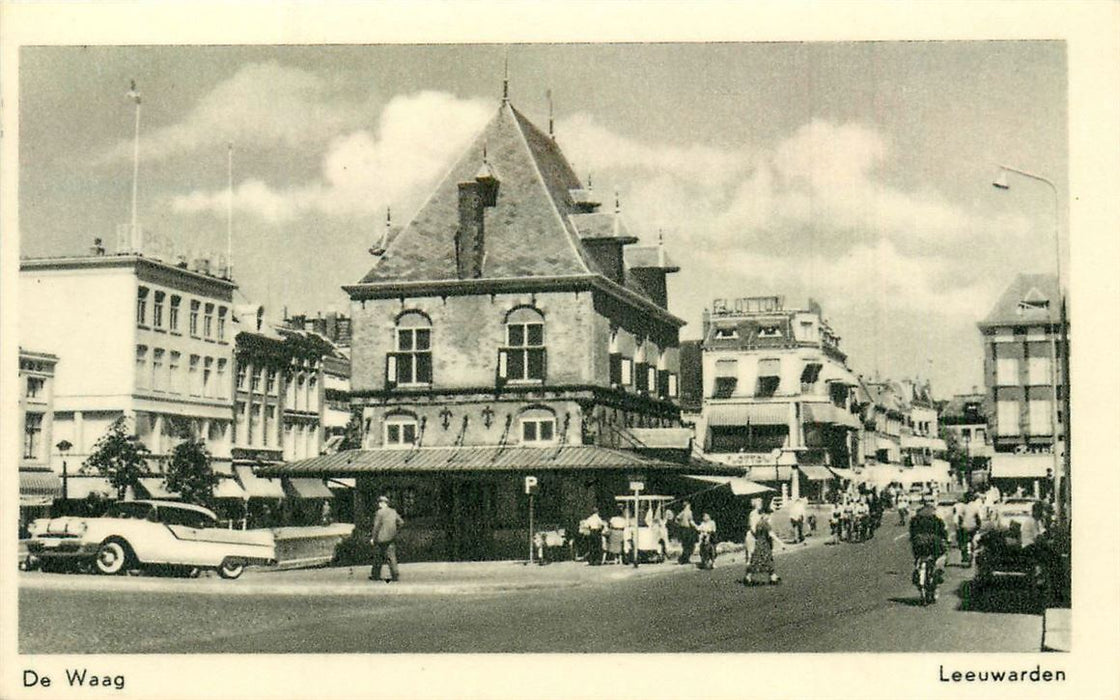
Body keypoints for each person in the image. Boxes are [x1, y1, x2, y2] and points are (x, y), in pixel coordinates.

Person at [908, 495, 948, 598]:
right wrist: (945, 538)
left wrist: (914, 539)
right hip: (933, 542)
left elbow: (912, 531)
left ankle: (918, 569)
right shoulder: (936, 516)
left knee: (918, 558)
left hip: (918, 542)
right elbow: (942, 531)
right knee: (942, 556)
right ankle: (937, 574)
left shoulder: (916, 516)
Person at [743, 508, 784, 585]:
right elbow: (771, 534)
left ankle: (749, 577)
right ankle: (772, 577)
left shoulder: (759, 523)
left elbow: (755, 532)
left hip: (759, 544)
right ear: (763, 514)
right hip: (765, 545)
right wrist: (780, 542)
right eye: (768, 514)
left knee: (757, 561)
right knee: (767, 561)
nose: (769, 516)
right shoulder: (765, 524)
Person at [369, 495, 405, 583]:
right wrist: (395, 531)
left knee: (378, 557)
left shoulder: (379, 513)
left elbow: (376, 526)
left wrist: (373, 538)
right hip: (391, 538)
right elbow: (401, 522)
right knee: (391, 557)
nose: (379, 504)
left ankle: (375, 575)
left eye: (379, 502)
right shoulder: (393, 512)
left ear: (381, 503)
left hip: (380, 539)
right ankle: (395, 575)